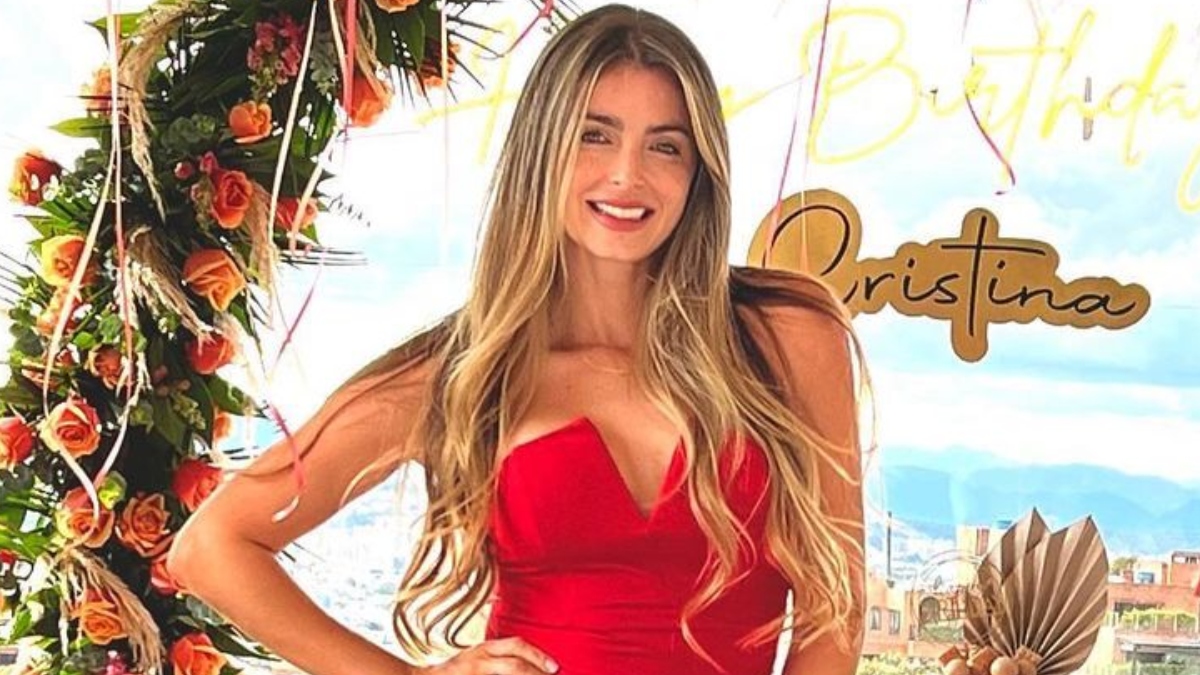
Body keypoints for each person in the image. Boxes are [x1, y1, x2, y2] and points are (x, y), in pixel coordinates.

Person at [168, 4, 867, 675]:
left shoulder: (787, 334)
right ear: (541, 150)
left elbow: (835, 612)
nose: (627, 174)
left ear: (698, 172)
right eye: (594, 135)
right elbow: (211, 546)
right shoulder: (467, 370)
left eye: (665, 146)